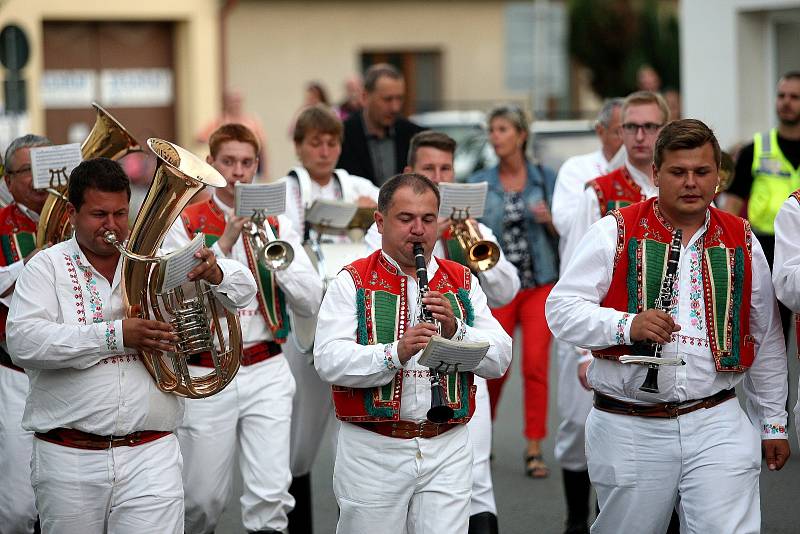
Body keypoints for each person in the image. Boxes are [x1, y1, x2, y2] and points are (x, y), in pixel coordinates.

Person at [546, 119, 790, 534]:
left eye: (702, 172)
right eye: (678, 172)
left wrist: (773, 422)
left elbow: (765, 335)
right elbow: (561, 309)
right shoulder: (615, 230)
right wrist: (626, 325)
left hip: (717, 417)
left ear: (718, 177)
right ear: (656, 174)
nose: (691, 183)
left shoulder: (742, 238)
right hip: (629, 424)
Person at [7, 157, 256, 534]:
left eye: (121, 214)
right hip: (68, 457)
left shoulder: (155, 264)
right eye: (99, 214)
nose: (112, 226)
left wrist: (217, 271)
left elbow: (243, 291)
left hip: (151, 453)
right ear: (72, 213)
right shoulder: (46, 267)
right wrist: (116, 334)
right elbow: (25, 343)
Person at [315, 173, 512, 534]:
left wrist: (457, 330)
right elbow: (328, 359)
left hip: (447, 444)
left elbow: (500, 357)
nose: (418, 230)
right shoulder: (352, 279)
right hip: (374, 449)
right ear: (380, 222)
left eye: (428, 219)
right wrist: (396, 352)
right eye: (406, 219)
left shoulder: (462, 280)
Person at [163, 123, 323, 534]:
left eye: (247, 163)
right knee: (201, 499)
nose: (238, 172)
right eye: (229, 162)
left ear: (257, 166)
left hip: (266, 365)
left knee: (271, 497)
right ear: (213, 165)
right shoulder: (186, 220)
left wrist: (274, 254)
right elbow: (173, 289)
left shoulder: (278, 224)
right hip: (209, 367)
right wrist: (226, 244)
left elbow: (310, 300)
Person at [364, 131, 520, 533]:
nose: (439, 176)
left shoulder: (472, 228)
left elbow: (506, 291)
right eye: (428, 168)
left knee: (477, 478)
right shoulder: (387, 230)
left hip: (465, 368)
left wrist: (469, 242)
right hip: (402, 374)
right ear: (409, 172)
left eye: (445, 169)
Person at [280, 104, 377, 534]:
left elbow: (386, 216)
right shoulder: (286, 189)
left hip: (352, 316)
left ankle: (349, 522)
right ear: (299, 146)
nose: (324, 151)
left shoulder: (354, 184)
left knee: (349, 429)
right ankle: (296, 520)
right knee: (297, 436)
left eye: (332, 142)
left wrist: (368, 206)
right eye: (315, 143)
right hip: (304, 318)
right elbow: (282, 248)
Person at [467, 105, 559, 479]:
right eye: (492, 129)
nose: (496, 136)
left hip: (540, 283)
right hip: (498, 287)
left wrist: (551, 221)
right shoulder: (480, 179)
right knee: (493, 367)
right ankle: (478, 443)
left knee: (535, 366)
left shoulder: (545, 177)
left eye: (503, 128)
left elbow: (568, 231)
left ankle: (534, 446)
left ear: (521, 134)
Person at [549, 99, 624, 534]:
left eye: (645, 129)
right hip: (581, 310)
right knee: (577, 421)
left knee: (621, 421)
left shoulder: (654, 172)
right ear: (602, 132)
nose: (632, 139)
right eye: (622, 129)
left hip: (629, 316)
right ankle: (576, 515)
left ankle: (604, 514)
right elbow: (563, 221)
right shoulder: (580, 171)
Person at [722, 71, 800, 337]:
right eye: (781, 96)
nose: (786, 102)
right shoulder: (755, 149)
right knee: (770, 336)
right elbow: (731, 206)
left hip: (798, 248)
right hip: (764, 249)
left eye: (794, 97)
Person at [0, 134, 51, 534]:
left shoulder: (82, 218)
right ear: (8, 179)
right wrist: (29, 266)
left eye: (45, 169)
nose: (37, 180)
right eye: (26, 171)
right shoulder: (0, 224)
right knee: (18, 507)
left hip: (74, 369)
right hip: (15, 372)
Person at [337, 63, 425, 186]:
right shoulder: (341, 136)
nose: (395, 107)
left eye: (399, 98)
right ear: (364, 97)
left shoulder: (415, 136)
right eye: (387, 99)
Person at [196, 89, 269, 176]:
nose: (236, 104)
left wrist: (266, 171)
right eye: (233, 101)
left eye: (238, 101)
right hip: (225, 169)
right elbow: (200, 139)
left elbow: (263, 147)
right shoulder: (219, 121)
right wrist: (219, 142)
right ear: (226, 102)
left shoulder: (251, 122)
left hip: (247, 167)